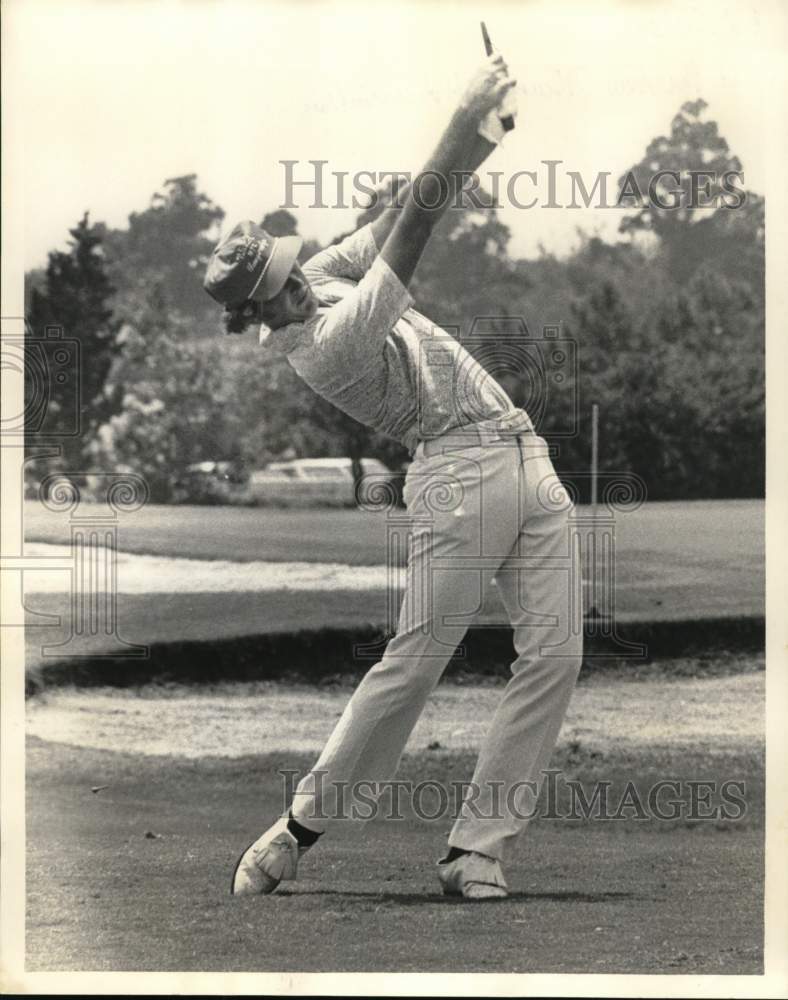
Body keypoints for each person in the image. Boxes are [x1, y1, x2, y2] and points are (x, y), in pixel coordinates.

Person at [203, 53, 583, 900]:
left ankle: (475, 850)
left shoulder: (322, 274)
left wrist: (483, 137)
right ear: (254, 318)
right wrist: (463, 112)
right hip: (456, 471)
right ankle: (300, 827)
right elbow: (412, 237)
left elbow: (403, 204)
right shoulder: (324, 347)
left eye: (282, 268)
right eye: (271, 291)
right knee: (417, 659)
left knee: (556, 652)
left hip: (524, 449)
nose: (291, 284)